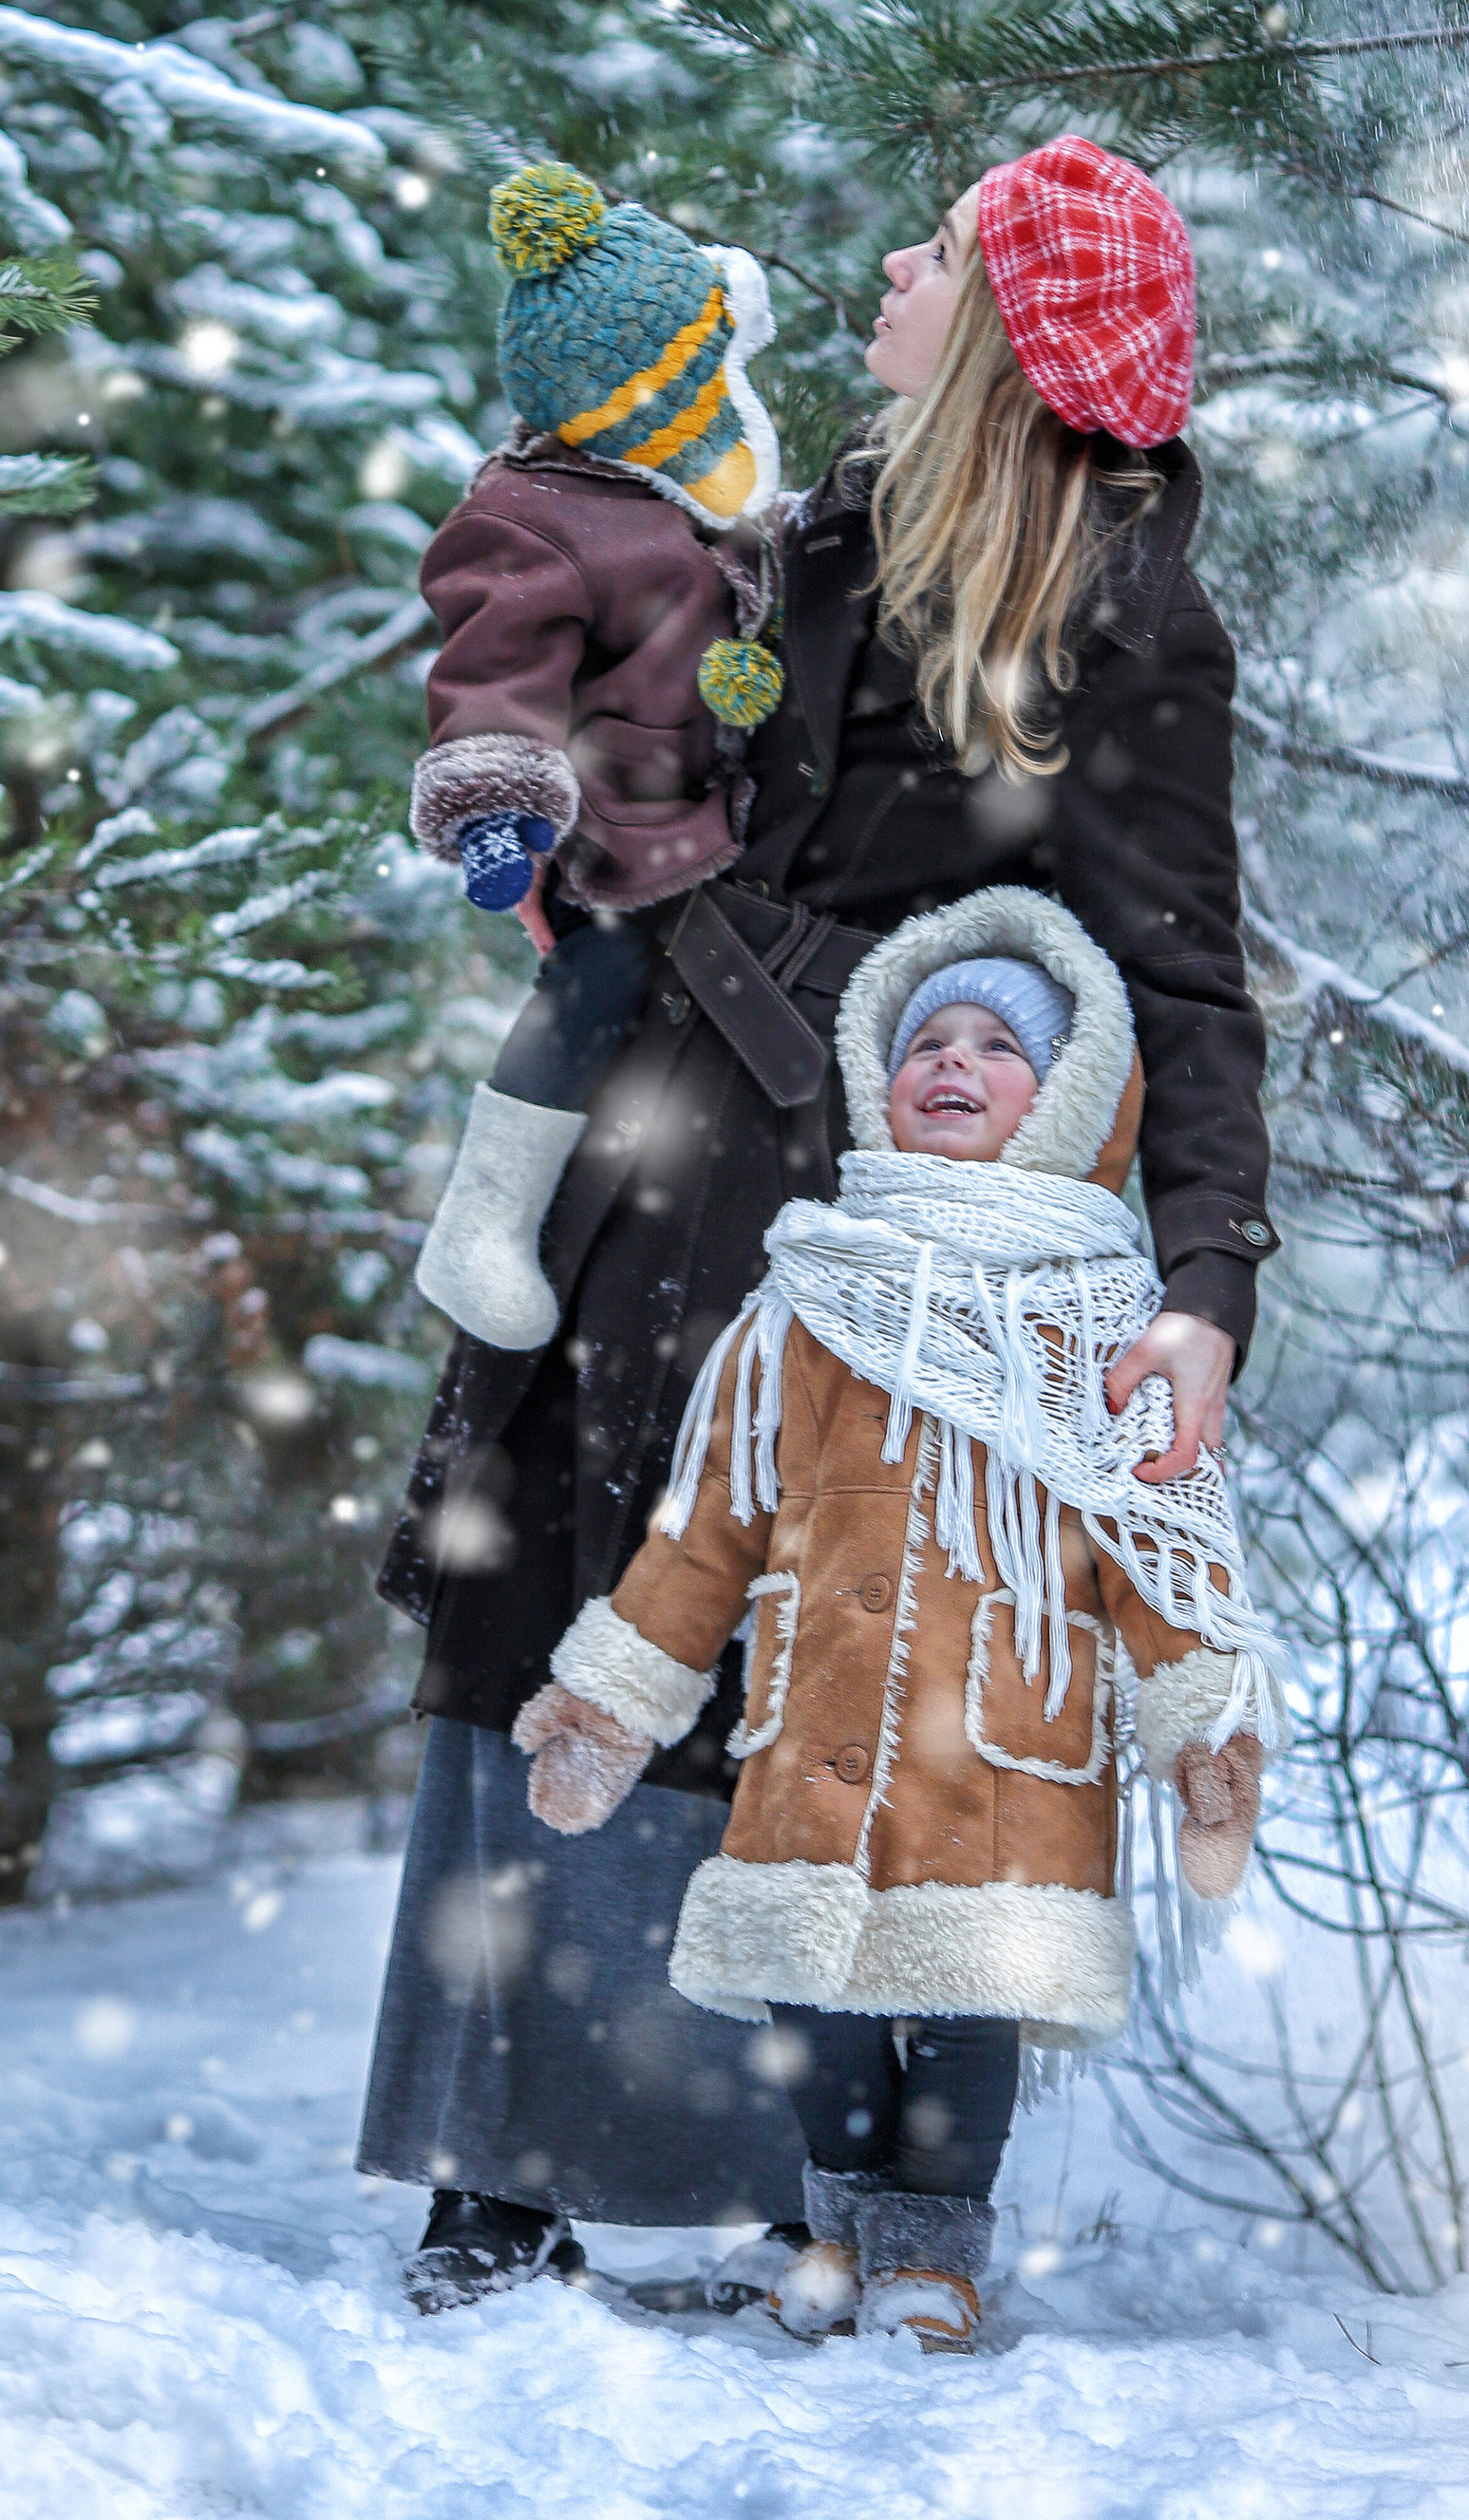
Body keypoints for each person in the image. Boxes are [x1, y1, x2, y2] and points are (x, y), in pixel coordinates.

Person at [360, 131, 1276, 2308]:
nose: (888, 262)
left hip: (880, 1204)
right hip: (660, 1123)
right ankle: (506, 2151)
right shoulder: (808, 519)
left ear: (1010, 322)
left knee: (805, 1639)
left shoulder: (1115, 607)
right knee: (558, 1592)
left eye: (935, 248)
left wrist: (1205, 1275)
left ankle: (799, 2161)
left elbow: (1181, 967)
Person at [513, 890, 1283, 2351]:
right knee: (820, 2010)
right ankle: (844, 2226)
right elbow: (707, 1529)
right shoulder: (804, 1298)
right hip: (818, 1729)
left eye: (1001, 1046)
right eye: (928, 1035)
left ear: (1065, 1102)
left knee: (968, 2016)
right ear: (878, 1073)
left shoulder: (1104, 1324)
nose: (955, 1060)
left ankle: (934, 2251)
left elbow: (1157, 1555)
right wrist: (617, 1697)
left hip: (1006, 1741)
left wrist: (1203, 1731)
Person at [405, 158, 784, 1353]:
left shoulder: (662, 475)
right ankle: (482, 1215)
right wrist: (498, 815)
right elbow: (493, 674)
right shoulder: (535, 518)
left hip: (707, 811)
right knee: (595, 987)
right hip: (610, 829)